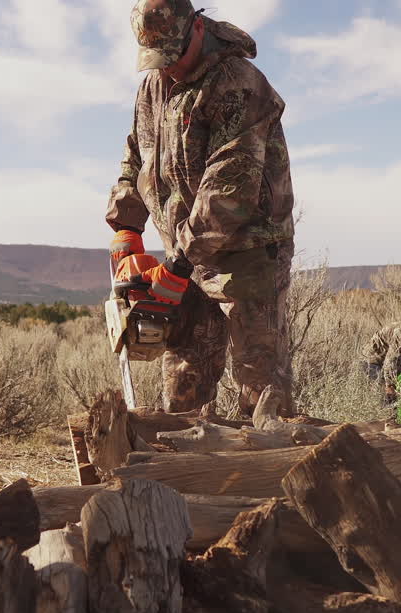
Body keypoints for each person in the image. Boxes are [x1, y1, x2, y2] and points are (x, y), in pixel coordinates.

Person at [105, 0, 296, 417]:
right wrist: (126, 228)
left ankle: (267, 477)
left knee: (260, 389)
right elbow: (137, 153)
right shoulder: (154, 84)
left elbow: (229, 189)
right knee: (184, 380)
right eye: (157, 59)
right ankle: (180, 476)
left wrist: (175, 265)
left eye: (172, 56)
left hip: (247, 256)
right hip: (186, 254)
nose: (167, 67)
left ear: (196, 29)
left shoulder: (238, 84)